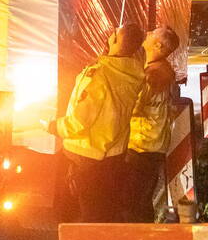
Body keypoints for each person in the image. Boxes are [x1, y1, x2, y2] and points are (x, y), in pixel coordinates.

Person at [46, 23, 146, 223]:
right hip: (114, 155)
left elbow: (80, 120)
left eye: (114, 33)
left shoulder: (99, 75)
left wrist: (54, 126)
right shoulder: (134, 73)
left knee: (88, 214)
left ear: (115, 40)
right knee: (105, 210)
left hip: (86, 155)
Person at [124, 26, 180, 223]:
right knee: (141, 199)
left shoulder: (154, 74)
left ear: (157, 44)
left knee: (134, 201)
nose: (146, 34)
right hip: (151, 144)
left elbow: (133, 106)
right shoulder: (161, 69)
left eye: (152, 33)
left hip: (142, 144)